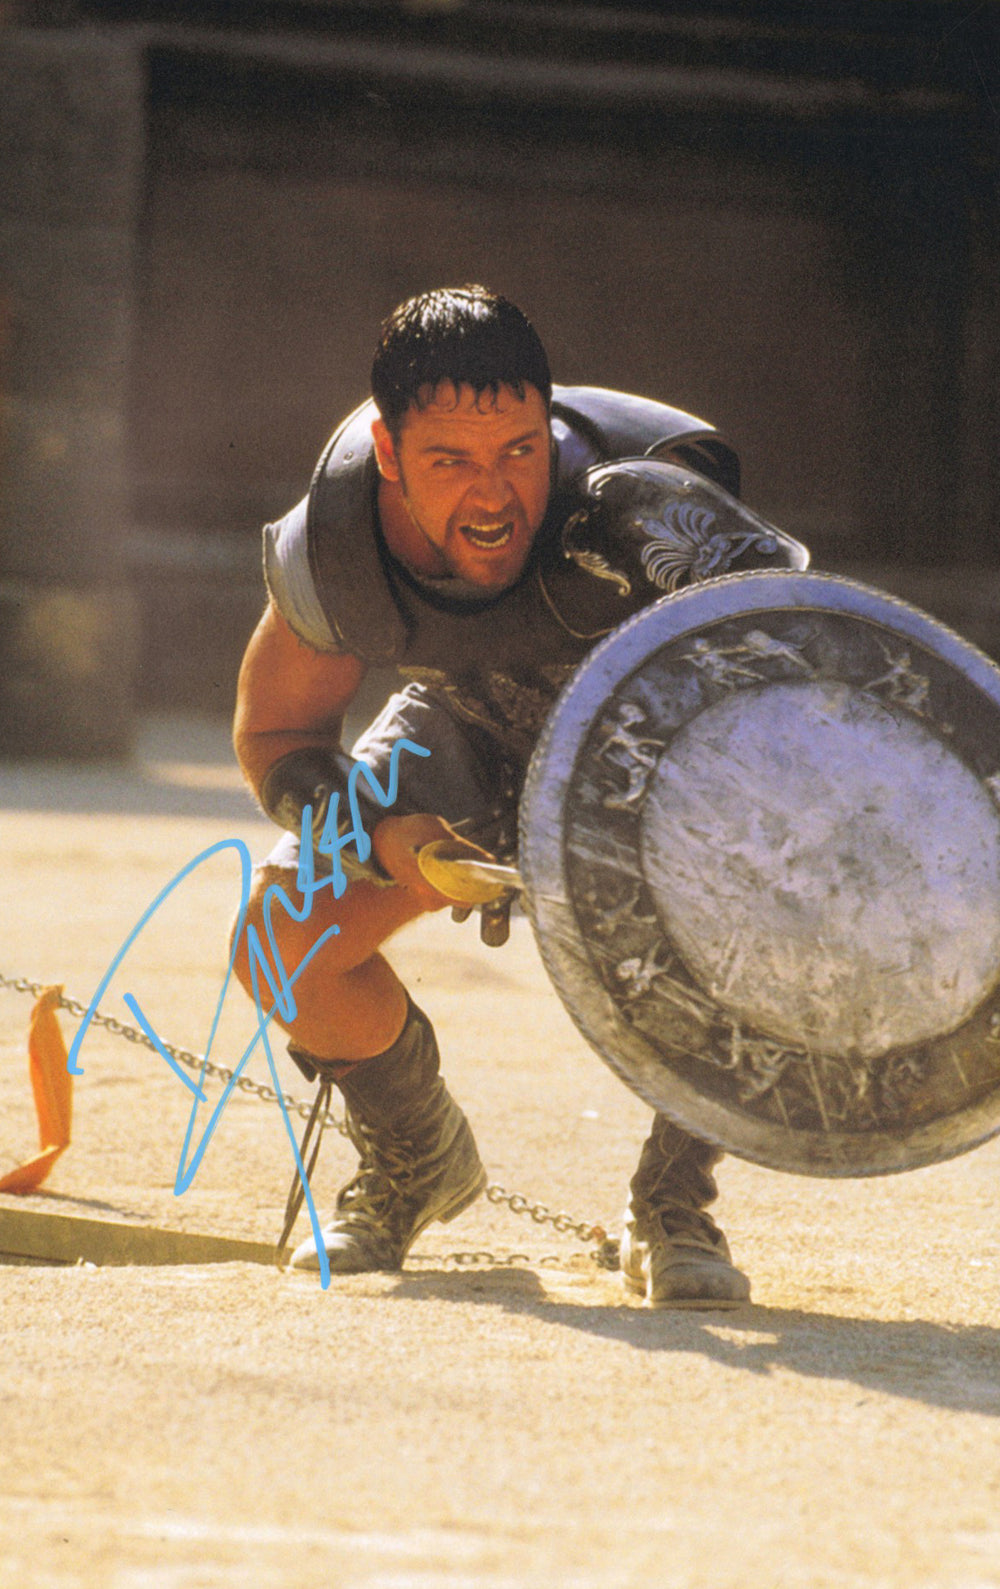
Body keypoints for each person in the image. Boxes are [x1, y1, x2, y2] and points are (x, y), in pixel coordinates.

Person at [231, 285, 799, 1307]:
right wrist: (387, 834)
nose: (493, 497)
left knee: (771, 899)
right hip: (467, 727)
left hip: (658, 760)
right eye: (450, 460)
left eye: (518, 453)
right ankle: (416, 1156)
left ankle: (672, 1196)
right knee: (282, 935)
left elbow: (795, 702)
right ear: (390, 451)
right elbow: (275, 733)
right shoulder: (336, 543)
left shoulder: (651, 513)